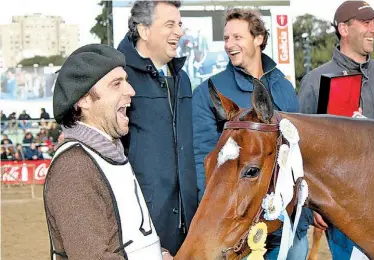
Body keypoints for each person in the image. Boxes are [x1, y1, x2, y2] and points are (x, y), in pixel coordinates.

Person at [298, 1, 374, 259]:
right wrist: (312, 207)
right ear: (343, 28)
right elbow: (301, 151)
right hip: (343, 220)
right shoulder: (315, 82)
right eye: (367, 23)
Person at [192, 8, 313, 260]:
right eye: (226, 39)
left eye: (237, 37)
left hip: (290, 229)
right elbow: (202, 158)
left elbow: (301, 156)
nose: (229, 45)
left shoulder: (284, 86)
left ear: (258, 38)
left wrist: (307, 213)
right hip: (243, 233)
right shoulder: (210, 91)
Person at [44, 43, 173, 260]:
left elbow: (126, 236)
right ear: (83, 100)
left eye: (127, 81)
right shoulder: (74, 167)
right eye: (116, 84)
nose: (131, 91)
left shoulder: (111, 153)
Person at [117, 0, 198, 256]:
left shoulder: (182, 78)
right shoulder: (118, 77)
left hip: (189, 223)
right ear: (144, 30)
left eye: (180, 24)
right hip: (142, 226)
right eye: (170, 24)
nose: (180, 32)